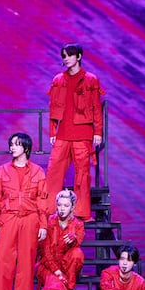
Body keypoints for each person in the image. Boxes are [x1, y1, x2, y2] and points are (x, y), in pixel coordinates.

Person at [0, 132, 48, 290]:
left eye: (16, 144)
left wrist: (43, 225)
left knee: (26, 263)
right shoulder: (2, 170)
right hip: (8, 219)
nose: (12, 147)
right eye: (11, 144)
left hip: (30, 220)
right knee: (2, 262)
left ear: (26, 147)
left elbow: (42, 200)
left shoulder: (38, 171)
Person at [44, 43, 105, 222]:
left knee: (82, 175)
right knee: (54, 172)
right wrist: (52, 131)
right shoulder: (58, 79)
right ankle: (49, 211)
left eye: (70, 55)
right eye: (64, 56)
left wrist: (98, 132)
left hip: (83, 133)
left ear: (78, 56)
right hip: (63, 134)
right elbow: (53, 107)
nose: (67, 58)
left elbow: (96, 107)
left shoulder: (90, 79)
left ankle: (82, 212)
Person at [35, 189, 85, 290]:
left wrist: (74, 238)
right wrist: (57, 271)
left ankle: (69, 287)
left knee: (77, 253)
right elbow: (45, 252)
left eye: (66, 205)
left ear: (72, 207)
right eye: (60, 205)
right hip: (48, 265)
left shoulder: (78, 224)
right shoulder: (48, 222)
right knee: (54, 283)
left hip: (66, 265)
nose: (62, 208)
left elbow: (78, 245)